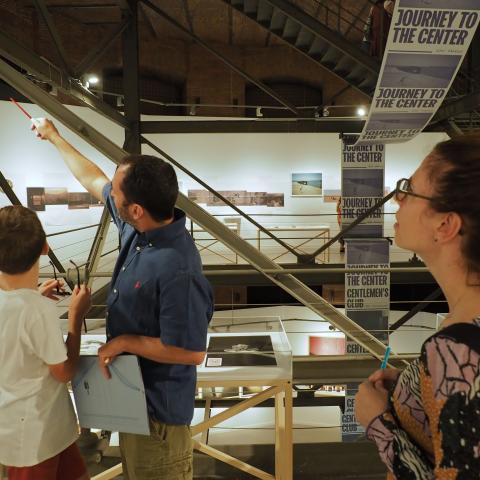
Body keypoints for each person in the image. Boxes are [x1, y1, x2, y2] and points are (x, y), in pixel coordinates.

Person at [33, 118, 214, 480]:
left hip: (157, 420)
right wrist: (55, 137)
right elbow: (92, 178)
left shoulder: (179, 269)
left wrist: (126, 342)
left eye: (116, 194)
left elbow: (191, 351)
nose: (108, 196)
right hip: (133, 407)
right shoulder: (140, 229)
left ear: (136, 210)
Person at [355, 135, 480, 478]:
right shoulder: (462, 330)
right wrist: (420, 386)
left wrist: (378, 422)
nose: (398, 199)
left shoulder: (455, 348)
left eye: (409, 189)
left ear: (445, 225)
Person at [0, 205, 91, 480]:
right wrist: (76, 318)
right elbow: (63, 371)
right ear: (44, 247)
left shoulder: (24, 305)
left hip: (32, 429)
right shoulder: (38, 310)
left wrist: (34, 295)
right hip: (38, 433)